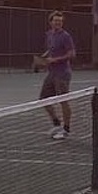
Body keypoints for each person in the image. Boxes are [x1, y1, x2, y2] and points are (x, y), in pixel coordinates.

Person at [38, 11, 76, 140]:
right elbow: (51, 49)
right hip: (51, 73)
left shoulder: (66, 36)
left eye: (60, 21)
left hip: (63, 73)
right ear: (51, 22)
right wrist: (44, 57)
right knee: (44, 99)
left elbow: (71, 54)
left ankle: (66, 129)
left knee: (63, 100)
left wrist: (55, 59)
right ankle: (56, 124)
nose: (58, 23)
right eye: (55, 21)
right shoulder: (48, 35)